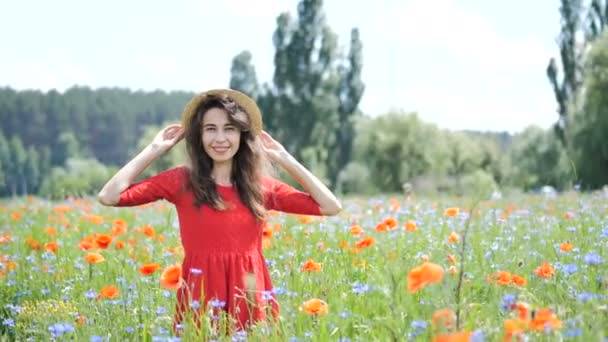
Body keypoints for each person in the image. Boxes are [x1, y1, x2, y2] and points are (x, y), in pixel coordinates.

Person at [97, 89, 342, 334]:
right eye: (210, 129)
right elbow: (109, 196)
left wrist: (285, 158)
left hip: (248, 292)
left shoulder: (260, 187)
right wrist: (154, 149)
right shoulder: (181, 181)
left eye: (230, 128)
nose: (220, 138)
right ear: (199, 136)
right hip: (200, 293)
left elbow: (330, 205)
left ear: (242, 135)